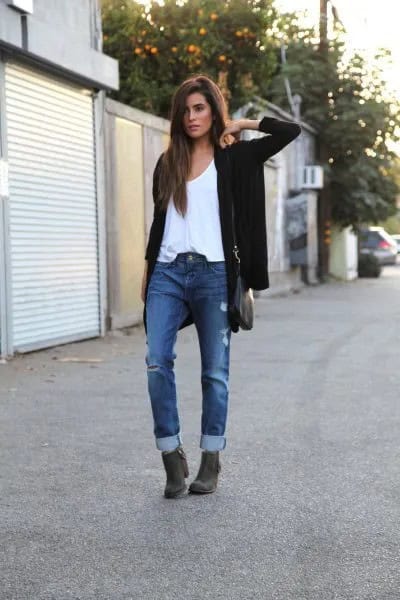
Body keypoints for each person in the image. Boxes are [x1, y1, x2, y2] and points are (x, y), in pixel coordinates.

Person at [142, 75, 301, 499]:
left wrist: (242, 124)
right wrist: (146, 275)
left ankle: (211, 459)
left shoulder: (235, 158)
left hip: (214, 274)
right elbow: (160, 223)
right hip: (167, 273)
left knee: (214, 373)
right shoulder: (167, 162)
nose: (192, 117)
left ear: (213, 111)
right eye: (186, 110)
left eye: (200, 108)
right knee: (157, 361)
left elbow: (290, 132)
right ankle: (171, 456)